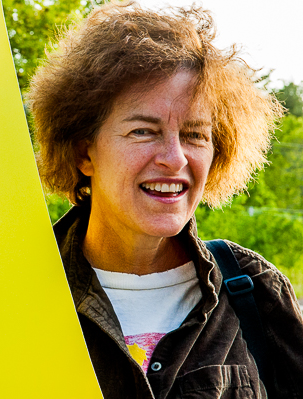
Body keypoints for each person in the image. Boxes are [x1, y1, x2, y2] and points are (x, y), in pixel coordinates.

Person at [27, 1, 303, 398]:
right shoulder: (15, 291)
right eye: (143, 131)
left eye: (195, 135)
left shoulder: (254, 292)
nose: (174, 158)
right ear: (84, 153)